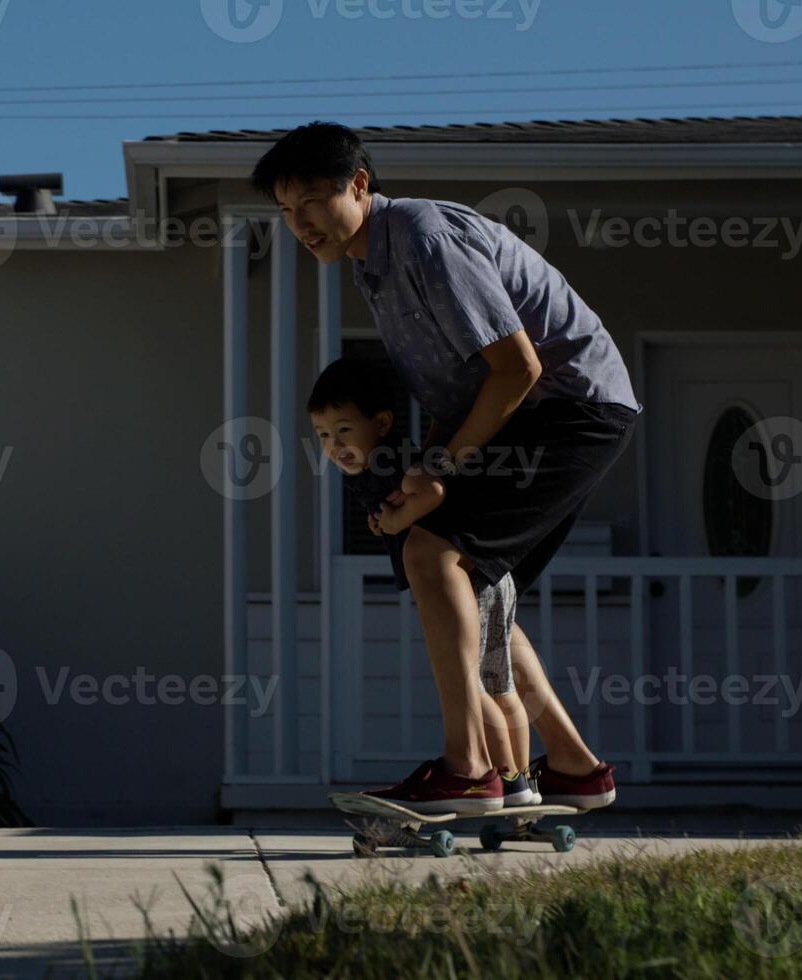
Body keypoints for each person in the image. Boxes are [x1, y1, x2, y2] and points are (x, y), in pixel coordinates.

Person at [255, 121, 639, 811]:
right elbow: (460, 392)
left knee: (433, 557)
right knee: (473, 586)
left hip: (571, 407)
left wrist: (439, 473)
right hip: (523, 419)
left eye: (312, 201)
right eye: (285, 211)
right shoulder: (371, 266)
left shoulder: (426, 238)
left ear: (360, 186)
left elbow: (517, 367)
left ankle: (469, 769)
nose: (300, 222)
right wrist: (423, 480)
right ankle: (578, 767)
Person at [308, 356, 540, 813]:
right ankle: (519, 783)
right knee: (499, 683)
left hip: (464, 579)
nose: (335, 446)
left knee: (471, 685)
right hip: (486, 571)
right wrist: (389, 521)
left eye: (344, 430)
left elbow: (432, 492)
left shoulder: (390, 458)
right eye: (323, 436)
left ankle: (503, 777)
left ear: (381, 423)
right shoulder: (375, 462)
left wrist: (398, 519)